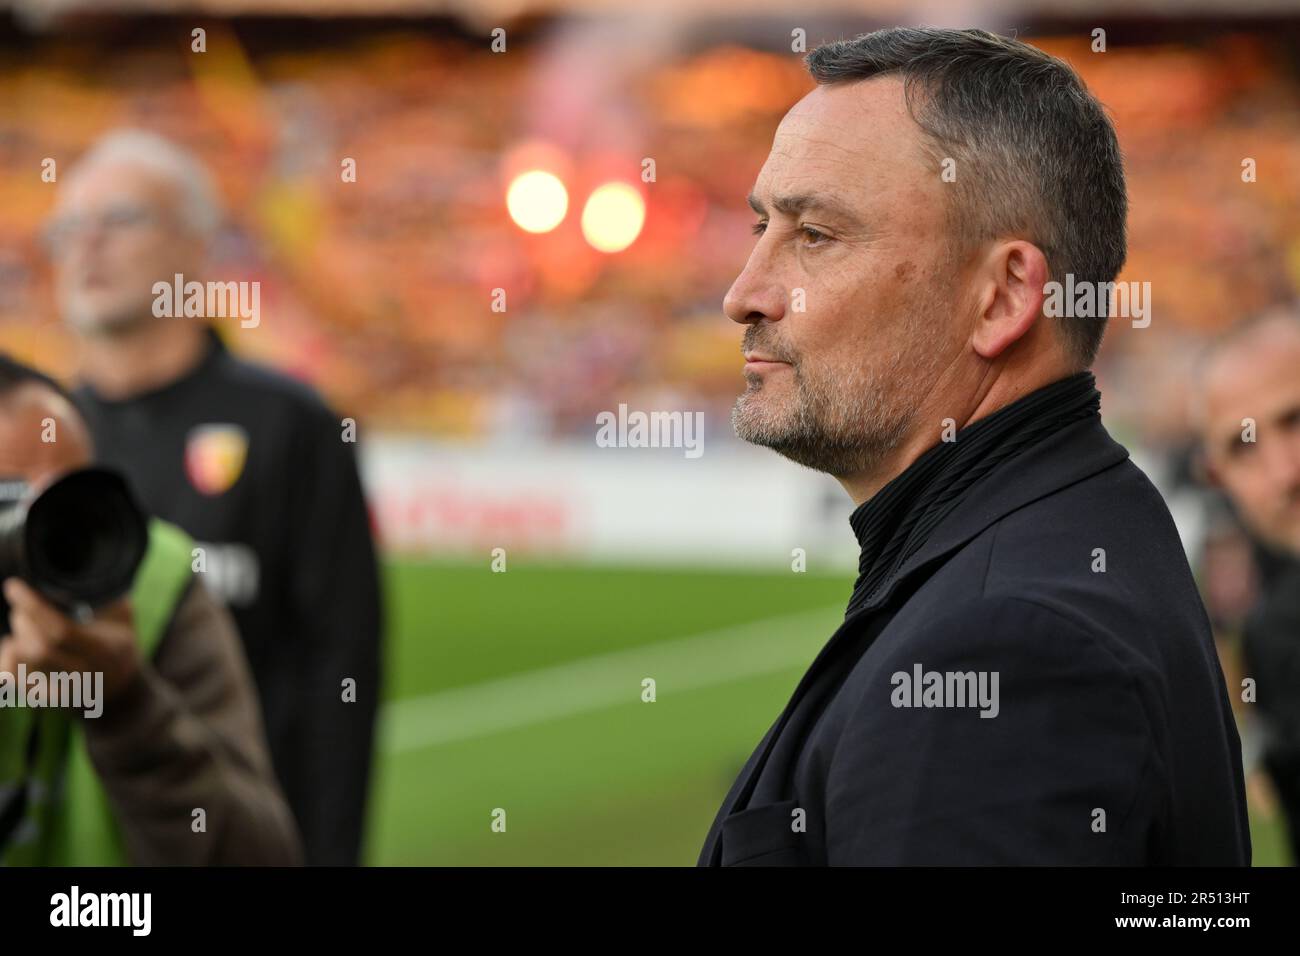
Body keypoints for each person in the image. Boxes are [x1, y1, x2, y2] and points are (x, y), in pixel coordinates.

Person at [698, 27, 1249, 865]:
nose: (745, 295)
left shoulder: (1012, 647)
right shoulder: (1061, 533)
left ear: (1003, 298)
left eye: (815, 235)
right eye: (759, 226)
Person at [44, 129, 383, 865]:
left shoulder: (293, 426)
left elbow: (343, 665)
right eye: (68, 226)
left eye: (122, 218)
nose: (88, 244)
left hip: (245, 841)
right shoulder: (41, 439)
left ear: (196, 247)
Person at [0, 354, 300, 865]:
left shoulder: (150, 579)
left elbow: (259, 855)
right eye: (8, 503)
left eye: (69, 500)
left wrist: (127, 706)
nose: (44, 535)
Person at [1194, 307, 1300, 864]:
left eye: (1296, 419)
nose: (1286, 471)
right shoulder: (1276, 634)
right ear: (1218, 476)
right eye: (1245, 447)